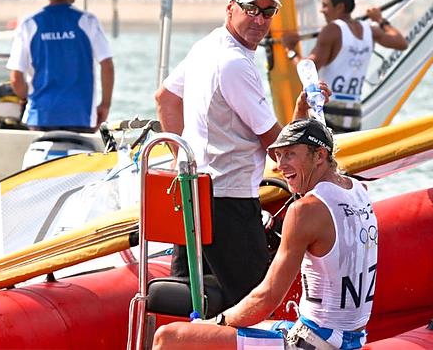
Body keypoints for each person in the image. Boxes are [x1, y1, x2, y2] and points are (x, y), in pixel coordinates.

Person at [155, 0, 328, 310]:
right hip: (228, 202)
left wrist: (183, 160)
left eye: (268, 12)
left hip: (193, 196)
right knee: (255, 305)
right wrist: (301, 113)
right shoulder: (235, 63)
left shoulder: (207, 46)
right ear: (230, 8)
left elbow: (165, 98)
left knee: (194, 305)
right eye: (251, 9)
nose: (259, 20)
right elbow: (280, 151)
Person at [153, 118, 377, 350]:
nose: (280, 166)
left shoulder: (304, 211)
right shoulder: (359, 190)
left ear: (320, 155)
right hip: (350, 339)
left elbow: (266, 299)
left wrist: (215, 322)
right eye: (278, 156)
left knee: (169, 337)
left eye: (289, 154)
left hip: (313, 343)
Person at [283, 0, 407, 133]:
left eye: (325, 5)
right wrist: (380, 20)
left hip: (328, 112)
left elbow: (308, 69)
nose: (322, 10)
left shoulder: (332, 30)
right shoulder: (370, 30)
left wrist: (291, 50)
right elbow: (401, 42)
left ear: (340, 7)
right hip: (354, 115)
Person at [7, 0, 114, 132]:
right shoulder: (88, 22)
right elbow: (107, 65)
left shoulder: (29, 24)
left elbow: (16, 78)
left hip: (39, 116)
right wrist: (105, 104)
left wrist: (30, 97)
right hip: (80, 116)